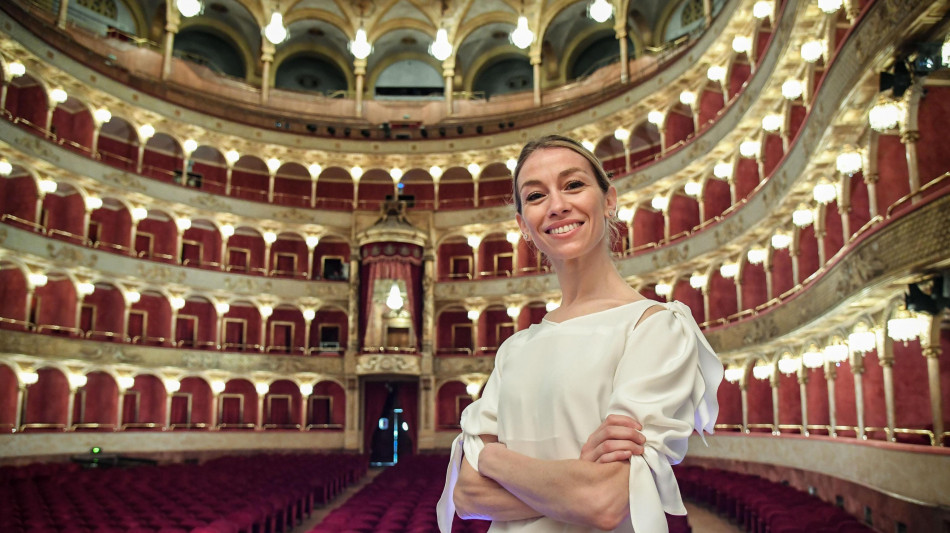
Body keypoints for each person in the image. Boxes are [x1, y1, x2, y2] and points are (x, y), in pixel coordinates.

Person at [436, 135, 724, 533]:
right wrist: (573, 483)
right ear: (523, 225)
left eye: (573, 185)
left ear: (608, 200)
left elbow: (602, 502)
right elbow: (467, 497)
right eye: (536, 196)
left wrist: (490, 459)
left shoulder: (656, 327)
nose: (557, 206)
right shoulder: (514, 349)